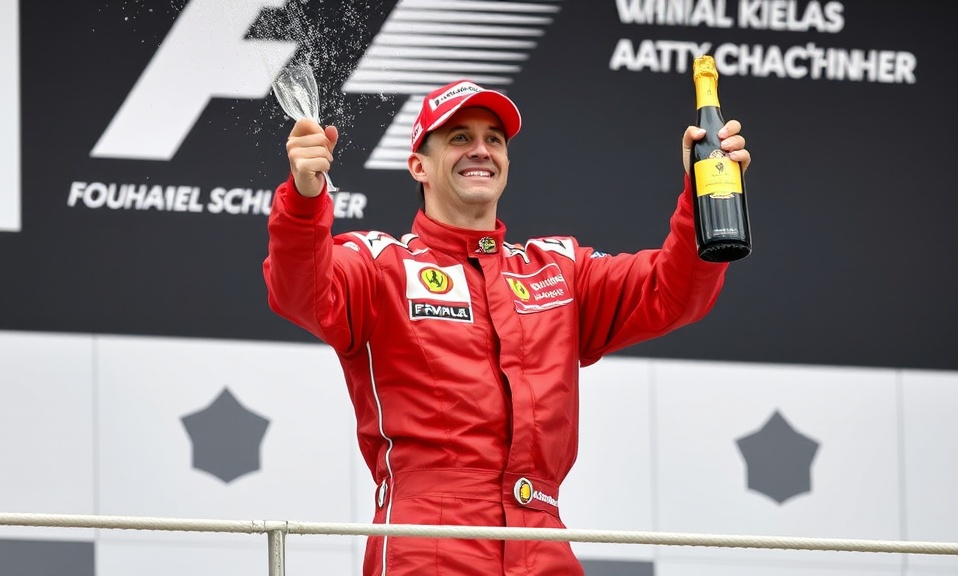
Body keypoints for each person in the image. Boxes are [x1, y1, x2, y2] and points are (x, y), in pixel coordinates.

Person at [263, 79, 750, 576]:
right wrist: (305, 198)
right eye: (458, 137)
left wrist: (701, 193)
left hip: (542, 540)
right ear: (418, 165)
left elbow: (671, 293)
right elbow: (300, 290)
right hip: (429, 545)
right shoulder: (380, 264)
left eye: (494, 139)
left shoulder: (557, 270)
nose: (481, 150)